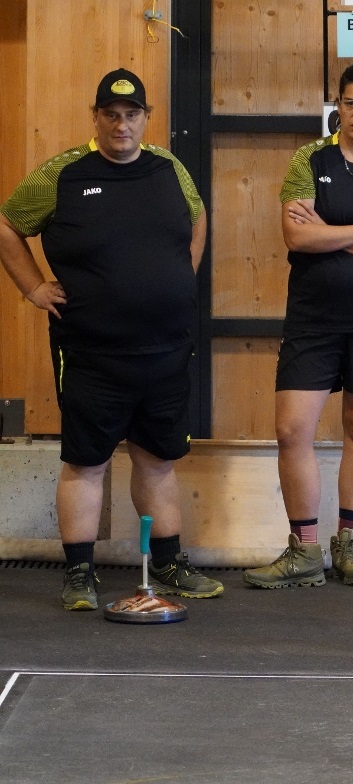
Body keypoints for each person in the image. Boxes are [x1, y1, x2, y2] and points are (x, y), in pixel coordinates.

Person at [0, 68, 222, 610]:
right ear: (95, 117)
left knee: (157, 460)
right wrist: (32, 288)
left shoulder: (169, 168)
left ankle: (167, 564)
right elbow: (7, 225)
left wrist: (179, 274)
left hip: (167, 349)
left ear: (146, 118)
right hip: (91, 353)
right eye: (111, 114)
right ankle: (79, 575)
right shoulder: (63, 173)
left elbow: (198, 217)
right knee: (86, 463)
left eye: (132, 115)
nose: (121, 124)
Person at [243, 62, 353, 589]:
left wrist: (334, 231)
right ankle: (303, 550)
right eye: (349, 103)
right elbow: (298, 239)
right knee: (291, 429)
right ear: (337, 107)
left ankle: (348, 546)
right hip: (313, 317)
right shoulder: (308, 160)